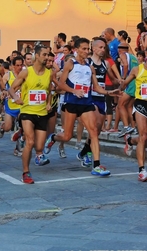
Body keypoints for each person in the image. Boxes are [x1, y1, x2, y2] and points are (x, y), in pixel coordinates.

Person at [44, 38, 121, 176]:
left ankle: (96, 165)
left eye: (87, 49)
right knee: (67, 136)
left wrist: (110, 92)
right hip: (71, 103)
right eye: (84, 49)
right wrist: (74, 91)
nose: (86, 51)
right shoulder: (70, 63)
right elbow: (61, 84)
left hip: (86, 104)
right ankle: (54, 138)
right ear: (76, 50)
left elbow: (96, 87)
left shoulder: (89, 67)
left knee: (94, 132)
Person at [8, 44, 52, 184]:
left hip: (42, 113)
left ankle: (22, 135)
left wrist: (49, 103)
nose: (46, 58)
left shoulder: (49, 73)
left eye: (48, 55)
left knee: (39, 147)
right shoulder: (26, 72)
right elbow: (12, 89)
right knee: (30, 141)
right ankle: (26, 172)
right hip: (27, 111)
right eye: (44, 55)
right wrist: (15, 97)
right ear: (37, 56)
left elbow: (49, 91)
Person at [119, 58, 147, 181]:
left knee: (144, 139)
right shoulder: (137, 69)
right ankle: (141, 170)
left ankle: (130, 141)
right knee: (144, 136)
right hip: (141, 103)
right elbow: (125, 83)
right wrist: (122, 84)